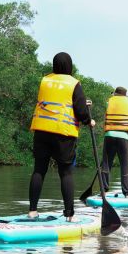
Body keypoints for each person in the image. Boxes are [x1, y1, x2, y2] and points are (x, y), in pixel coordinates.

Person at [28, 52, 94, 222]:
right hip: (63, 134)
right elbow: (80, 111)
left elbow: (54, 100)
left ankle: (33, 211)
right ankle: (70, 215)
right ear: (69, 66)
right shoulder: (73, 83)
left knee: (39, 170)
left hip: (42, 131)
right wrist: (89, 120)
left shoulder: (45, 80)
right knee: (66, 174)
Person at [101, 86, 128, 197]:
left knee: (106, 164)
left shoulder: (109, 101)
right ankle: (127, 193)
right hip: (124, 137)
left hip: (110, 136)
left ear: (115, 94)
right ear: (126, 95)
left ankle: (104, 191)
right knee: (125, 165)